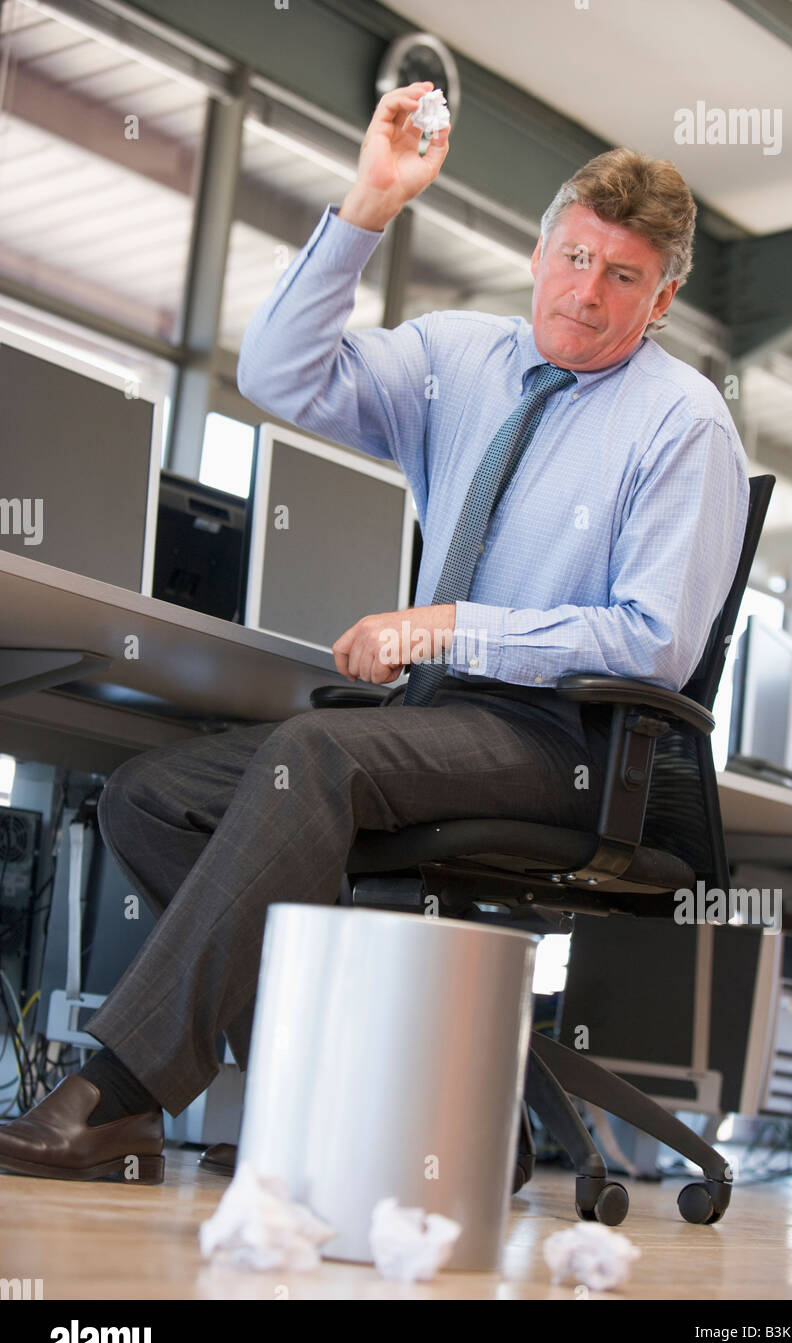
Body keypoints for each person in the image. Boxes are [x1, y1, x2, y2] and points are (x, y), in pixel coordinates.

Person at [0, 82, 748, 1183]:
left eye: (621, 276)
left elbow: (649, 644)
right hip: (439, 727)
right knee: (152, 797)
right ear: (539, 251)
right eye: (573, 259)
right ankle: (340, 1097)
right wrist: (367, 204)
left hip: (569, 748)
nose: (584, 296)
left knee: (317, 758)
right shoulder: (462, 358)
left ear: (663, 296)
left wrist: (450, 628)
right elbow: (277, 376)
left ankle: (114, 1096)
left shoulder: (682, 421)